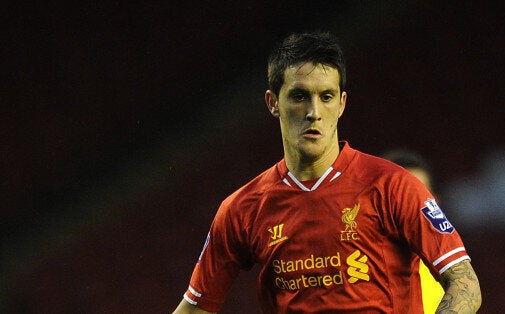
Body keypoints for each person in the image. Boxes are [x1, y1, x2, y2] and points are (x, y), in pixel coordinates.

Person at [173, 32, 481, 313]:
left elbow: (465, 283)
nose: (314, 112)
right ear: (272, 103)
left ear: (342, 103)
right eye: (299, 96)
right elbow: (195, 308)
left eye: (326, 96)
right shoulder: (242, 209)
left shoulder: (393, 186)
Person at [381, 149, 445, 314]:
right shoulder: (353, 264)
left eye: (419, 197)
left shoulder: (451, 274)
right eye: (398, 197)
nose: (410, 206)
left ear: (435, 204)